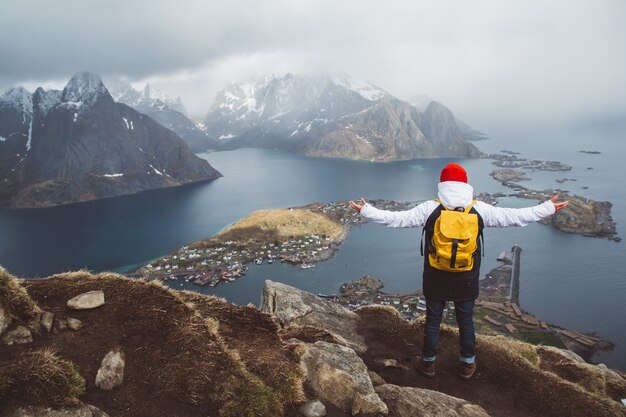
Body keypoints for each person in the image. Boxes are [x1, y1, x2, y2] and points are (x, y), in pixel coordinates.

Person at [349, 163, 567, 380]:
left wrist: (367, 210)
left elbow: (397, 219)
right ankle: (467, 365)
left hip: (436, 276)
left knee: (433, 320)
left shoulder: (430, 208)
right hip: (467, 277)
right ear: (465, 184)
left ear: (442, 184)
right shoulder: (479, 209)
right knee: (466, 321)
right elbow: (515, 217)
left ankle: (427, 363)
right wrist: (547, 208)